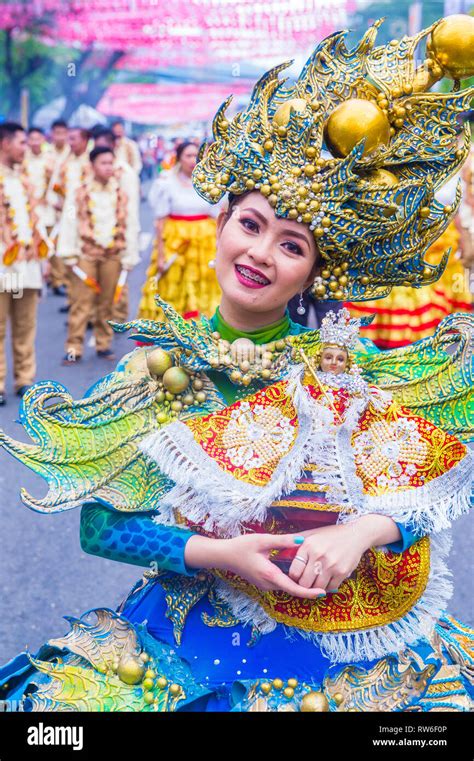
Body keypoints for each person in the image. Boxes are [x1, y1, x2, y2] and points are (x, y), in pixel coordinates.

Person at [0, 17, 473, 713]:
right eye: (251, 225)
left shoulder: (342, 366)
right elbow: (99, 527)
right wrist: (226, 554)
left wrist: (361, 532)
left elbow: (439, 476)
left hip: (332, 642)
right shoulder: (154, 372)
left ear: (311, 273)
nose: (260, 254)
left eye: (291, 245)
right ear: (220, 226)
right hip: (186, 635)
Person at [56, 146, 139, 364]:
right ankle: (74, 347)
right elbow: (69, 219)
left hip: (112, 254)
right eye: (103, 163)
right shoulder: (79, 193)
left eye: (111, 163)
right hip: (86, 253)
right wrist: (69, 253)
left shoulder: (121, 193)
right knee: (81, 302)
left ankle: (104, 344)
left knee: (107, 302)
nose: (109, 168)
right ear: (92, 166)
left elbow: (130, 223)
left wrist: (130, 255)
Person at [138, 141, 221, 321]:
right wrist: (160, 255)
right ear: (179, 158)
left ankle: (201, 333)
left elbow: (219, 216)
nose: (193, 160)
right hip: (175, 241)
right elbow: (160, 222)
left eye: (196, 156)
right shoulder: (166, 182)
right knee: (172, 284)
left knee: (202, 287)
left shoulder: (210, 181)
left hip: (204, 244)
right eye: (188, 156)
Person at [0, 122, 48, 407]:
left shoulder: (26, 180)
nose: (26, 148)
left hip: (27, 266)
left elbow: (36, 223)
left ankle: (25, 380)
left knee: (25, 324)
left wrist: (44, 258)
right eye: (21, 142)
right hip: (2, 268)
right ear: (5, 144)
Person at [93, 128, 141, 323]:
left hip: (119, 231)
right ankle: (98, 317)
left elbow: (131, 209)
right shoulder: (89, 168)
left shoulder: (125, 173)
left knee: (119, 278)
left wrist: (131, 238)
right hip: (95, 235)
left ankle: (119, 317)